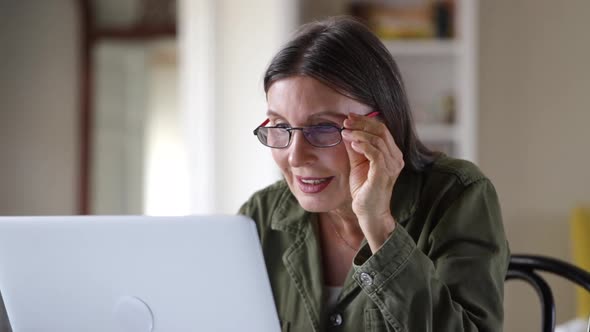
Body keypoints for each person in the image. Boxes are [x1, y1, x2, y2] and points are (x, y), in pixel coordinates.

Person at [238, 16, 509, 332]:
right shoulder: (260, 216)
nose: (296, 157)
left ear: (381, 127)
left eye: (324, 128)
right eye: (281, 127)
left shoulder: (457, 197)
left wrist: (379, 225)